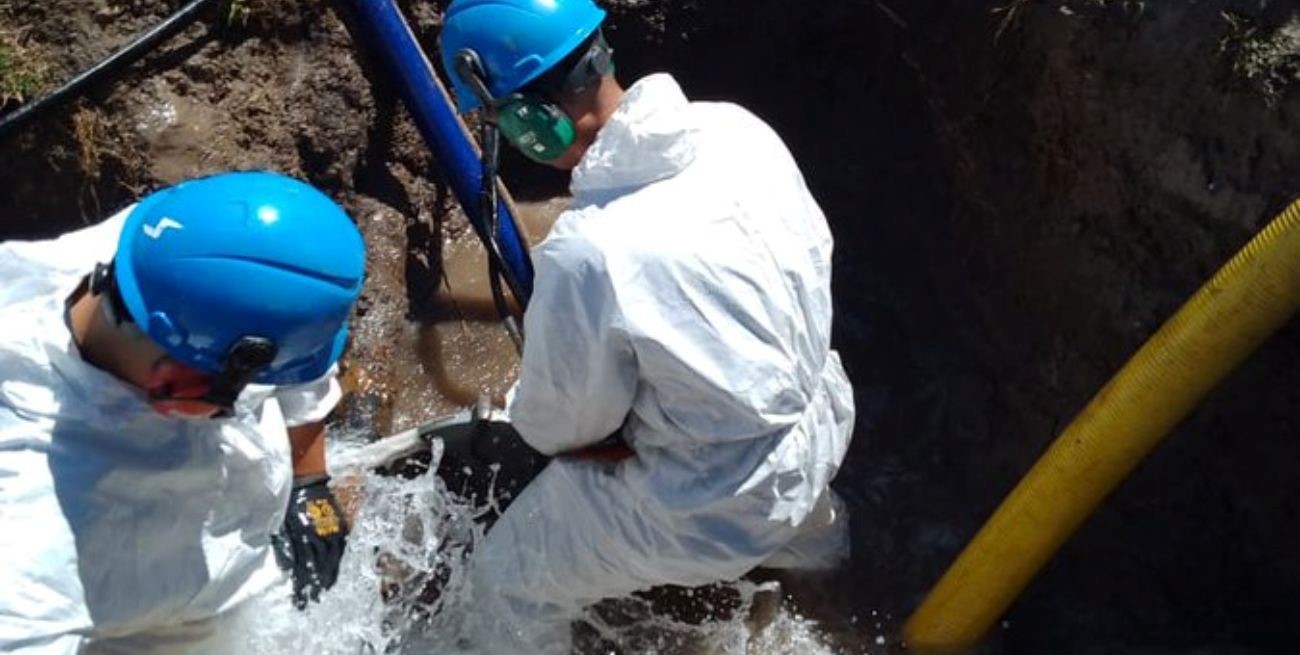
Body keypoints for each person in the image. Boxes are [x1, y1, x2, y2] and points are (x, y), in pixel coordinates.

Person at [438, 0, 857, 651]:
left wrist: (604, 427)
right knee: (803, 529)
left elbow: (556, 427)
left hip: (709, 503)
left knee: (506, 585)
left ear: (531, 121)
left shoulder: (589, 248)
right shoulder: (735, 127)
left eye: (500, 122)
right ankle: (836, 597)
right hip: (820, 426)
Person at [0, 171, 365, 654]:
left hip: (230, 571)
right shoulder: (32, 539)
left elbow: (298, 362)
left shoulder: (165, 253)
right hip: (153, 633)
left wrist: (308, 481)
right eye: (259, 381)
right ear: (175, 385)